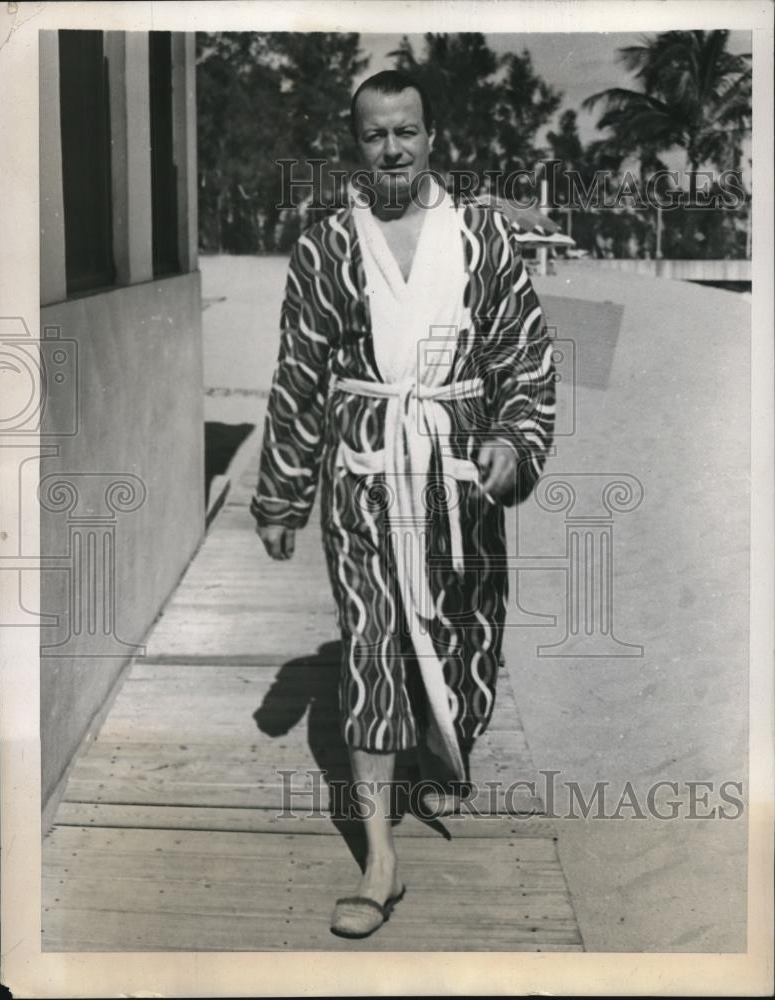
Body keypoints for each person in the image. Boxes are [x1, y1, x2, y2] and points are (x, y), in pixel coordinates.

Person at [252, 70, 555, 938]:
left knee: (462, 633)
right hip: (361, 466)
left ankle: (435, 737)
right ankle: (379, 860)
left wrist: (511, 442)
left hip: (457, 469)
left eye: (407, 133)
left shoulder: (480, 235)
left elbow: (523, 355)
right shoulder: (324, 245)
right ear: (355, 143)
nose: (392, 149)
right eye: (375, 135)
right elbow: (299, 377)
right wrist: (280, 493)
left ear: (431, 137)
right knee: (373, 647)